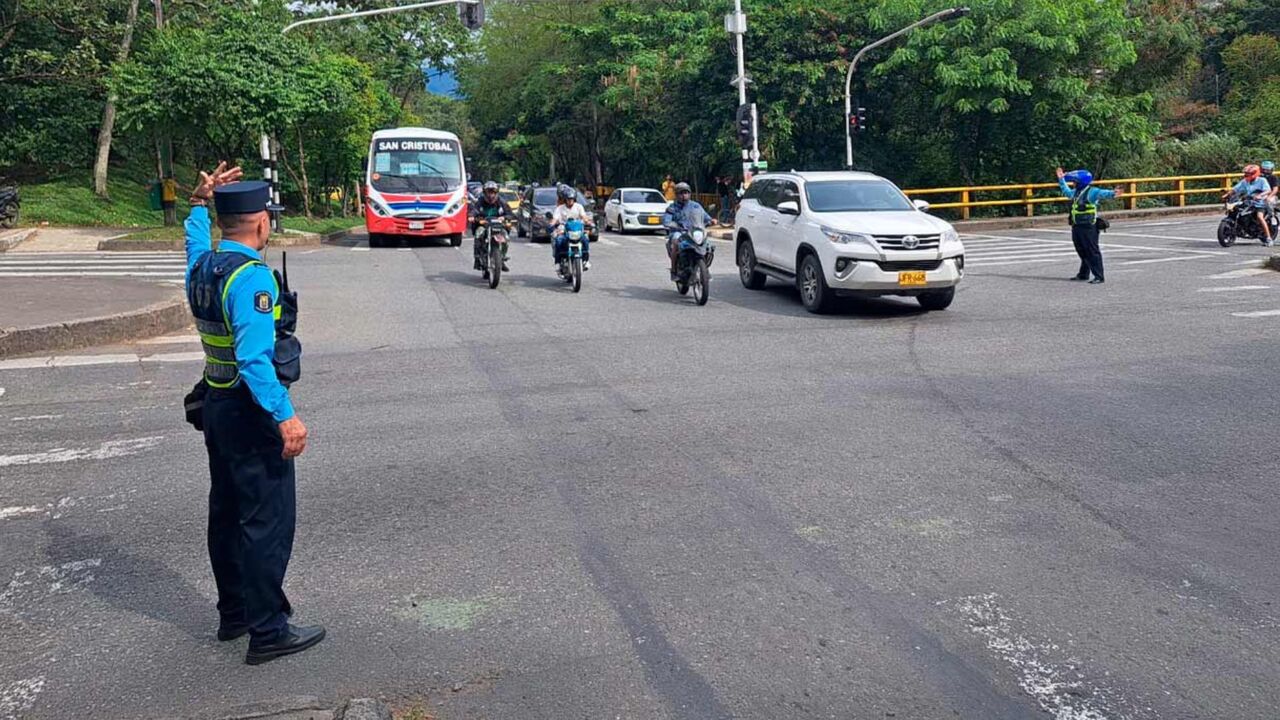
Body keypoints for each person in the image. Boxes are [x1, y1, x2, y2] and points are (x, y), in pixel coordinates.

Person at [185, 164, 324, 666]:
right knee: (265, 520)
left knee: (226, 512)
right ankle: (268, 630)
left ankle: (235, 613)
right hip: (249, 410)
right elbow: (254, 359)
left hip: (217, 405)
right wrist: (285, 416)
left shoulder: (204, 267)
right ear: (261, 224)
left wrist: (200, 202)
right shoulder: (251, 279)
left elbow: (194, 243)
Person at [1057, 167, 1122, 284]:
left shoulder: (1091, 191)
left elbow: (1103, 193)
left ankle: (1099, 276)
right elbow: (1067, 192)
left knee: (1092, 250)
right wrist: (1061, 180)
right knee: (1081, 249)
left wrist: (1113, 193)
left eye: (1075, 182)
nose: (1073, 183)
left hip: (1089, 226)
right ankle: (1083, 274)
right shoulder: (1076, 192)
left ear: (1081, 182)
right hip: (1077, 225)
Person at [662, 182, 715, 278]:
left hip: (694, 231)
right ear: (677, 195)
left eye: (686, 192)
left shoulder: (696, 206)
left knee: (708, 246)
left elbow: (705, 217)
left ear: (689, 193)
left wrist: (712, 220)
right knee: (675, 241)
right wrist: (670, 224)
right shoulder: (672, 208)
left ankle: (705, 268)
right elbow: (666, 220)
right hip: (679, 232)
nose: (684, 195)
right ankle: (674, 270)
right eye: (681, 193)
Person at [1223, 164, 1273, 245]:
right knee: (1236, 210)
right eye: (1246, 174)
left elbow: (1268, 190)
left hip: (1260, 204)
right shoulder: (1245, 181)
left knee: (1259, 217)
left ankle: (1268, 238)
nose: (1246, 175)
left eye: (1248, 174)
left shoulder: (1262, 180)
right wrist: (1227, 195)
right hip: (1248, 203)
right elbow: (1235, 189)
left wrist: (1260, 195)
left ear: (1255, 173)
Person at [469, 181, 514, 271]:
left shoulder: (501, 202)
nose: (491, 195)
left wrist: (504, 217)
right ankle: (477, 258)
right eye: (489, 192)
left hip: (498, 226)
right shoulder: (480, 201)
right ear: (485, 193)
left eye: (493, 192)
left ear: (496, 193)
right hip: (484, 225)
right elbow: (475, 210)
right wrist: (472, 216)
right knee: (478, 234)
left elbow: (510, 214)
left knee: (505, 237)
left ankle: (501, 258)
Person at [550, 184, 593, 270]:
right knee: (558, 241)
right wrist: (551, 224)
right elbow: (555, 218)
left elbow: (584, 216)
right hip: (563, 230)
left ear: (574, 199)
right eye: (568, 199)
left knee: (585, 240)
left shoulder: (579, 207)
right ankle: (558, 262)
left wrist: (588, 222)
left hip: (577, 230)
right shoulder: (560, 208)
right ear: (565, 200)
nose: (570, 201)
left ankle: (585, 260)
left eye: (571, 199)